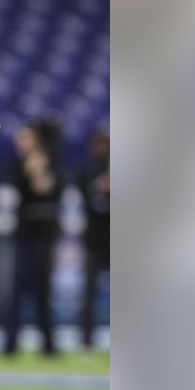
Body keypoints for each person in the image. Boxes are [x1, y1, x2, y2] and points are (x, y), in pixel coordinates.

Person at [3, 121, 63, 357]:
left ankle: (48, 344)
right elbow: (21, 188)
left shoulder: (53, 161)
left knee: (43, 290)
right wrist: (30, 170)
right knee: (15, 290)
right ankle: (10, 344)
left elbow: (48, 189)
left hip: (45, 235)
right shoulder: (19, 164)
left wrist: (40, 170)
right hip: (24, 233)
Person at [80, 128, 110, 352]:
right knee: (89, 291)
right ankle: (87, 341)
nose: (101, 148)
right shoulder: (88, 169)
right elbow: (86, 195)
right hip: (94, 236)